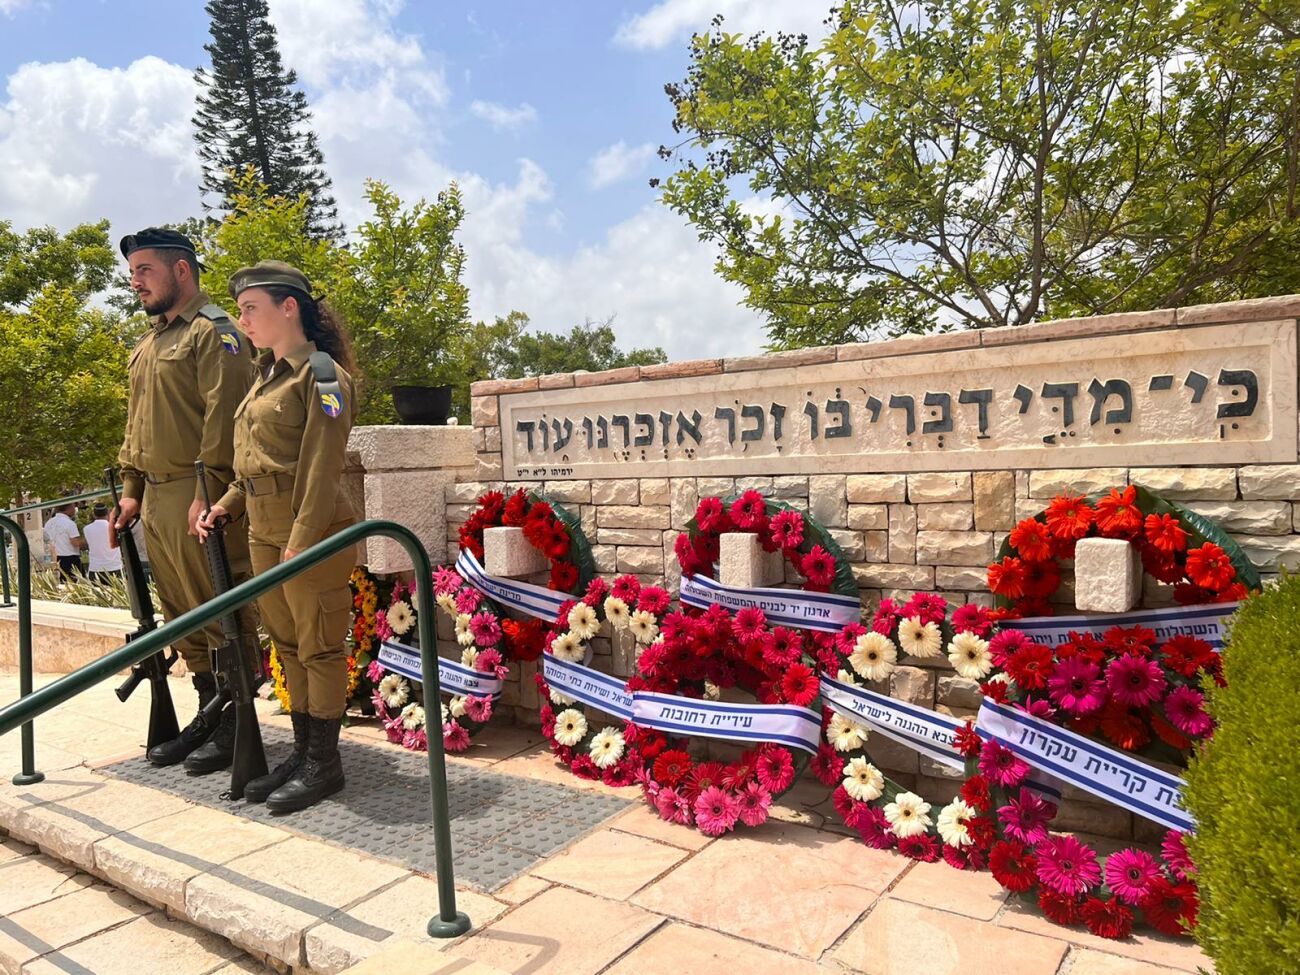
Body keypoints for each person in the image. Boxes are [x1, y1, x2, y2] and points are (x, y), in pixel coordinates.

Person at [199, 261, 358, 813]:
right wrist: (224, 506)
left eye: (251, 309)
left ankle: (325, 763)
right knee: (287, 645)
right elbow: (256, 465)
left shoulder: (323, 375)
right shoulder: (266, 376)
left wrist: (302, 539)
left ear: (289, 308)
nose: (242, 320)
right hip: (264, 531)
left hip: (309, 530)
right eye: (240, 310)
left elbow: (321, 466)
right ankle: (302, 753)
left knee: (319, 646)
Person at [114, 227, 260, 772]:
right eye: (132, 273)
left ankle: (236, 721)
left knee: (218, 608)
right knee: (181, 613)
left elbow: (225, 419)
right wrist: (131, 491)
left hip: (195, 493)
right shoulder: (149, 342)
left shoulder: (214, 333)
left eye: (144, 270)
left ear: (181, 270)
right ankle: (209, 712)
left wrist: (207, 491)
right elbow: (137, 423)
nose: (135, 282)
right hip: (154, 498)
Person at [43, 503, 84, 580]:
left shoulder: (48, 523)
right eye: (73, 506)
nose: (74, 509)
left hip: (53, 558)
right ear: (68, 508)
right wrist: (87, 542)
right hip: (69, 559)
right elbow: (75, 542)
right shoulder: (69, 523)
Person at [83, 503, 123, 583]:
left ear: (94, 515)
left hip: (95, 568)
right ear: (108, 513)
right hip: (114, 567)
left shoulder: (86, 529)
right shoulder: (115, 527)